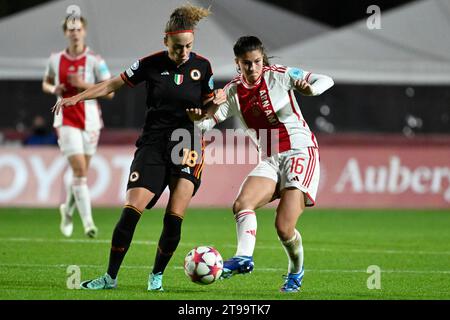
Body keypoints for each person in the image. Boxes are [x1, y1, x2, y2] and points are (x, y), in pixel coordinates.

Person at [52, 4, 225, 291]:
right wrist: (77, 97)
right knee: (131, 211)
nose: (183, 53)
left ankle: (156, 277)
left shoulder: (203, 66)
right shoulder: (150, 64)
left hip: (188, 142)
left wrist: (208, 109)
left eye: (188, 47)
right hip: (154, 144)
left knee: (174, 217)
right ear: (165, 40)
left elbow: (207, 108)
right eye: (178, 47)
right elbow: (111, 85)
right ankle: (110, 278)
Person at [190, 36, 334, 293]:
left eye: (256, 62)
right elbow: (205, 125)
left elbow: (326, 80)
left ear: (262, 59)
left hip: (300, 152)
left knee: (284, 227)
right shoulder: (232, 92)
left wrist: (310, 90)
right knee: (242, 203)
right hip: (270, 159)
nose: (253, 68)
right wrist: (199, 114)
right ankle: (244, 257)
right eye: (247, 63)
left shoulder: (281, 75)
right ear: (238, 63)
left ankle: (295, 271)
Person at [42, 15, 114, 238]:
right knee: (80, 170)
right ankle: (88, 223)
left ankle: (67, 209)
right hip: (65, 118)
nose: (75, 33)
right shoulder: (55, 59)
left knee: (80, 172)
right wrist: (54, 89)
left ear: (84, 31)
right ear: (66, 32)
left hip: (91, 120)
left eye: (78, 29)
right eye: (71, 29)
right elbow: (46, 82)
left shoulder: (95, 59)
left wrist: (84, 85)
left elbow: (110, 91)